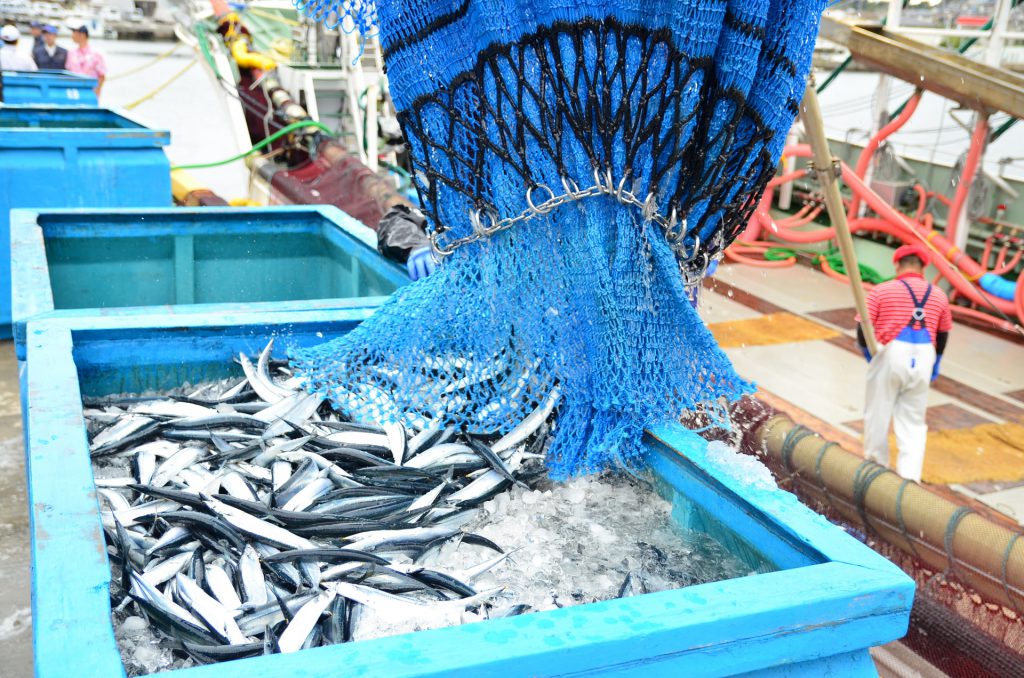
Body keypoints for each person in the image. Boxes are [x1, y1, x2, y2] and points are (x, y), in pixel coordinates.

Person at [857, 244, 952, 483]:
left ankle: (875, 472)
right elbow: (942, 334)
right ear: (923, 267)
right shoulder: (939, 295)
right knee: (913, 422)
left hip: (890, 353)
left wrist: (871, 356)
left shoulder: (882, 290)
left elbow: (862, 327)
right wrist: (936, 363)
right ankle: (910, 481)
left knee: (878, 413)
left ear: (897, 264)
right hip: (925, 357)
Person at [66, 25, 105, 97]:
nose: (72, 35)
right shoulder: (71, 53)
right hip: (74, 93)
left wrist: (96, 92)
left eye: (74, 33)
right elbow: (68, 73)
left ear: (82, 35)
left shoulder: (96, 54)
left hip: (90, 92)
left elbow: (102, 75)